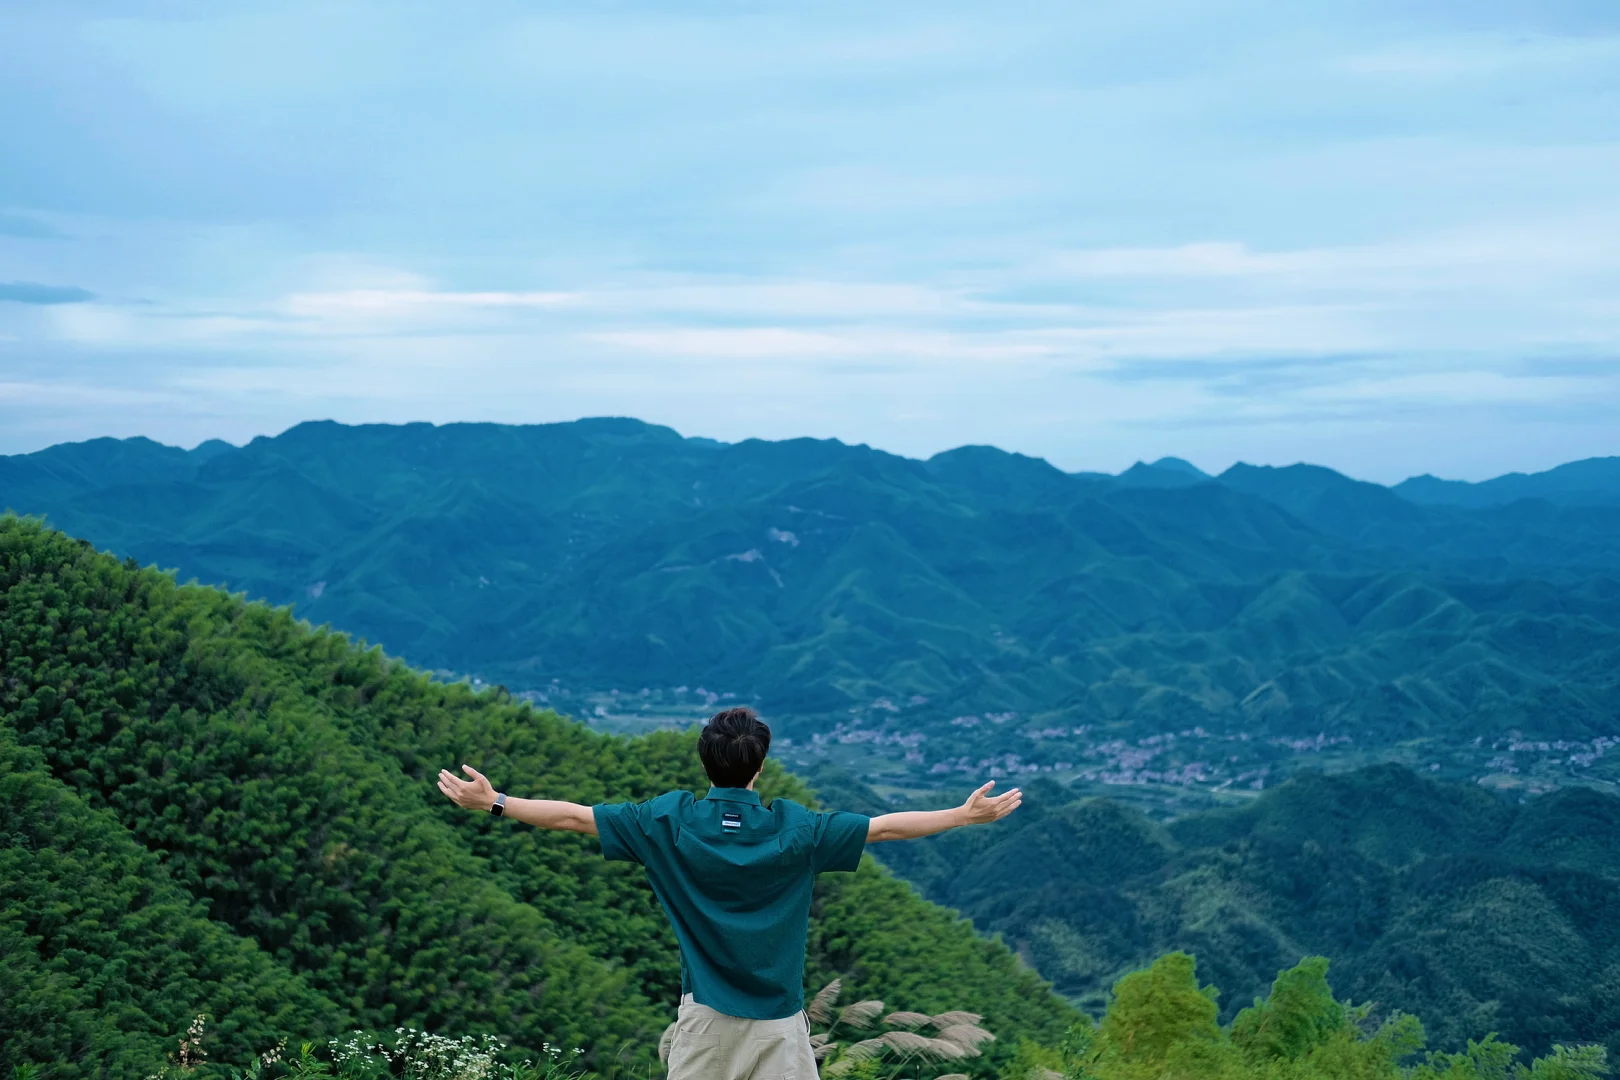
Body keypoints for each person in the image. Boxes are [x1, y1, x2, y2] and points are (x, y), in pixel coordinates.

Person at [436, 705, 1022, 1080]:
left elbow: (573, 818)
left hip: (705, 1023)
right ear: (760, 766)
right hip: (780, 1027)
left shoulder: (667, 822)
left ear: (704, 762)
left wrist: (495, 801)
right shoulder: (798, 831)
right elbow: (887, 826)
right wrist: (963, 816)